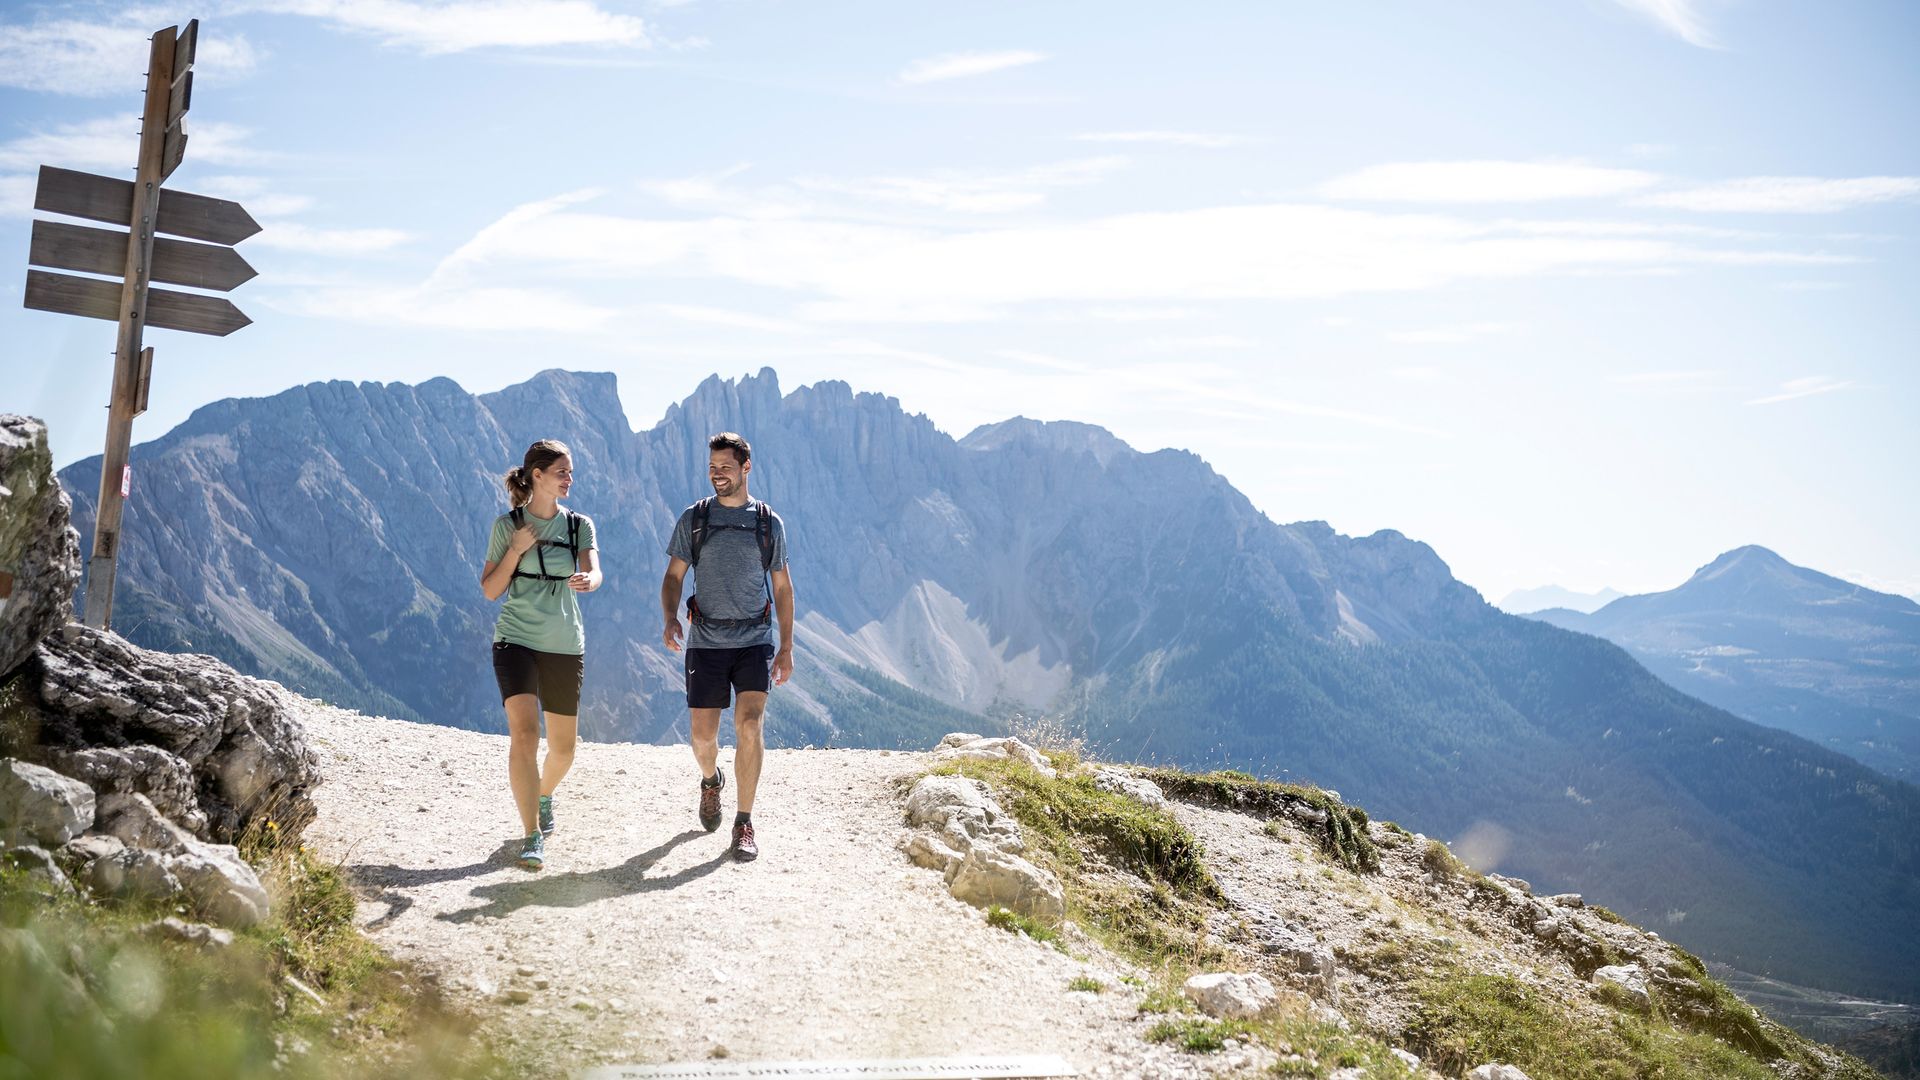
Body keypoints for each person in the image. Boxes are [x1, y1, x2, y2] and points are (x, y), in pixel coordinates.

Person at [660, 432, 794, 862]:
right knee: (703, 740)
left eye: (726, 467)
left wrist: (786, 645)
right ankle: (711, 780)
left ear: (746, 467)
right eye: (712, 467)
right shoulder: (695, 518)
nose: (718, 475)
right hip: (706, 642)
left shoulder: (767, 523)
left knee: (750, 725)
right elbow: (674, 576)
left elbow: (783, 588)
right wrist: (669, 616)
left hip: (754, 640)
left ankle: (744, 822)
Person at [480, 439, 600, 870]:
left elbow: (594, 567)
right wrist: (516, 548)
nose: (570, 478)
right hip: (515, 640)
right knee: (525, 735)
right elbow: (491, 590)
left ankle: (544, 794)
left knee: (564, 750)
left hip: (565, 644)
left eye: (570, 471)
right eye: (563, 472)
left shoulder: (579, 525)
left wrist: (590, 578)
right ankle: (531, 834)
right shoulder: (507, 526)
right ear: (537, 476)